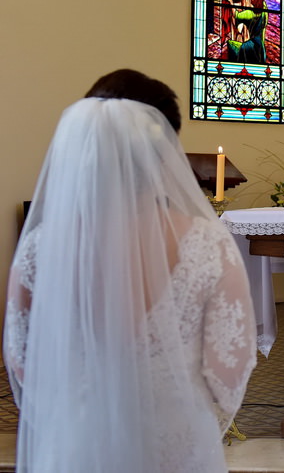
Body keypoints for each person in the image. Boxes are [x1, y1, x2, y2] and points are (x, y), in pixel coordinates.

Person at [3, 69, 257, 472]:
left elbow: (22, 361)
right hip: (174, 445)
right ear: (166, 149)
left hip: (75, 442)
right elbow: (229, 369)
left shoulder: (40, 246)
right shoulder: (208, 244)